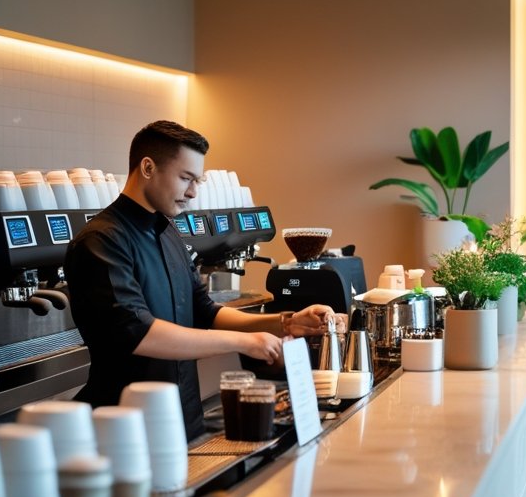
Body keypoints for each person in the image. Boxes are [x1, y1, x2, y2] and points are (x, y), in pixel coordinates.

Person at [65, 120, 338, 440]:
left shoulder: (168, 233)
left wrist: (286, 323)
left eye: (198, 181)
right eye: (186, 178)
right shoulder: (100, 240)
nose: (193, 192)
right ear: (148, 167)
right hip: (125, 427)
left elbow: (204, 311)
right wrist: (245, 342)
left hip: (183, 420)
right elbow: (139, 334)